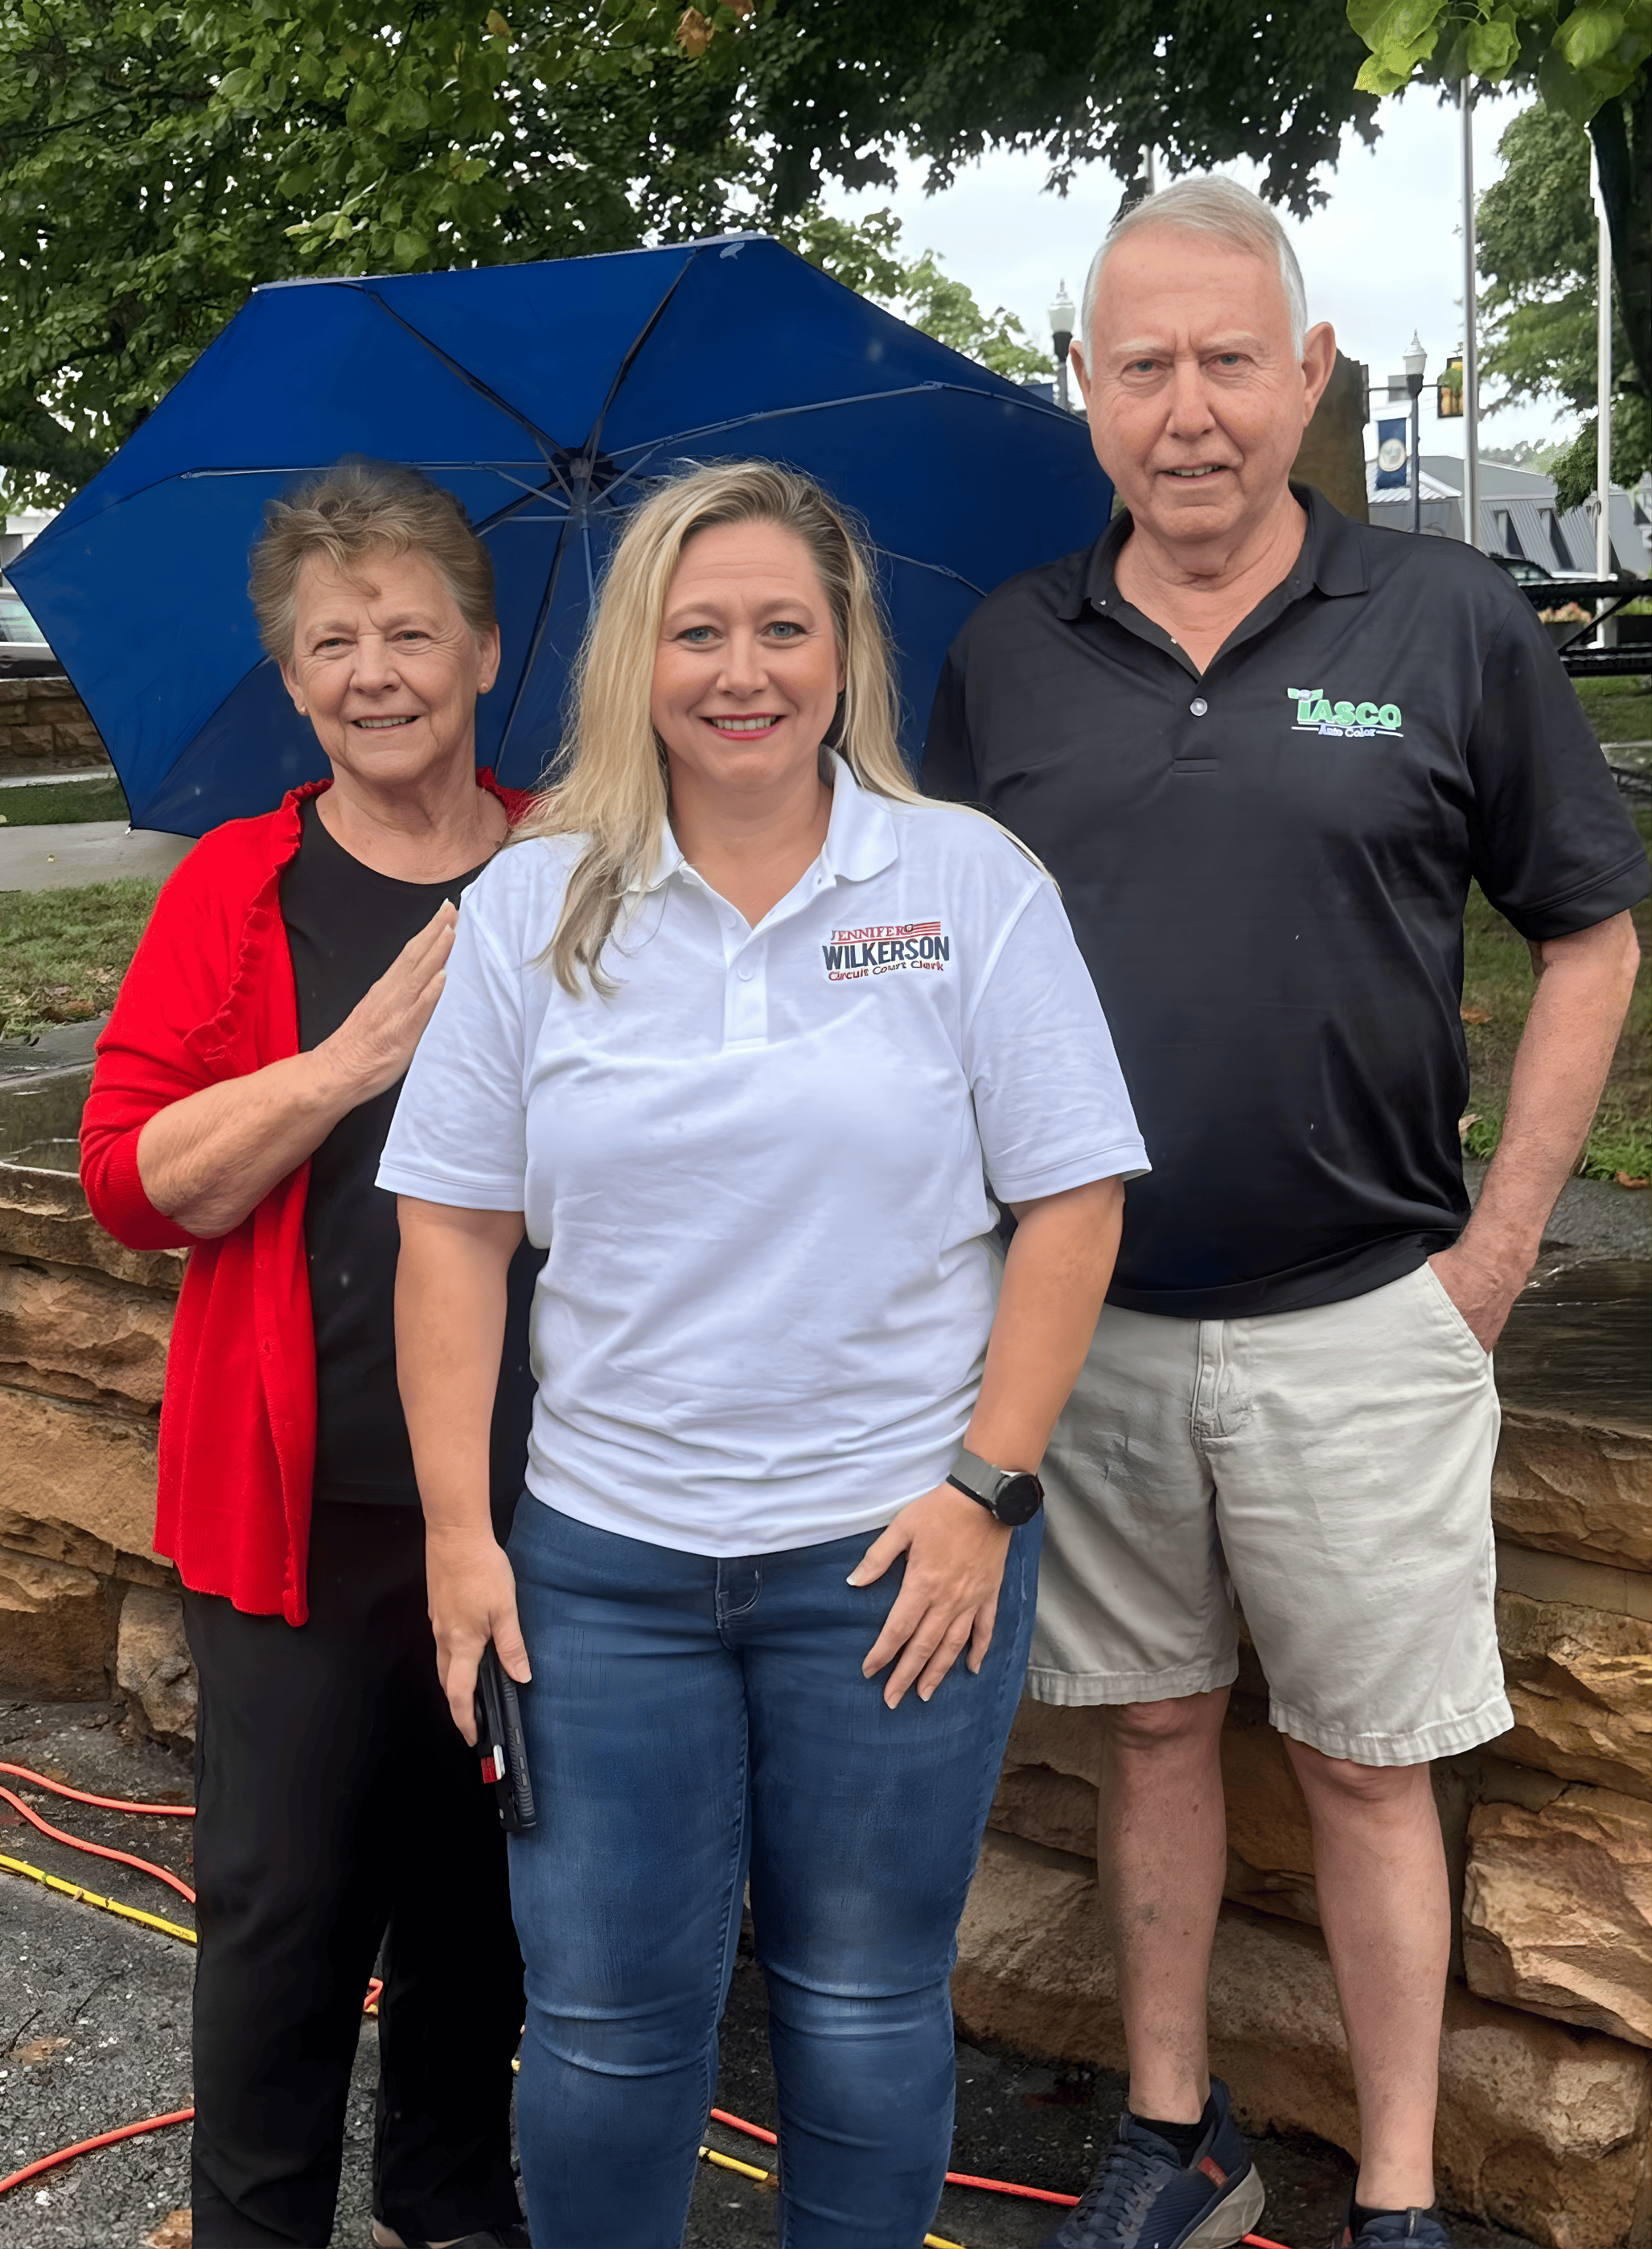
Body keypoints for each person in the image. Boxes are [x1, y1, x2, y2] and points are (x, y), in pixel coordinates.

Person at [923, 178, 1646, 2249]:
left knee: (1361, 1764)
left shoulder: (1443, 623)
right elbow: (935, 961)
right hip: (1096, 1323)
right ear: (1086, 393)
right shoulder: (1005, 656)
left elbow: (1588, 936)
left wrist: (1492, 1259)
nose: (1189, 409)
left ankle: (1403, 2192)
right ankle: (1176, 2139)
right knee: (1147, 1732)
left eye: (1230, 358)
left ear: (1307, 372)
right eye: (1139, 364)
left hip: (1365, 1321)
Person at [375, 458, 1149, 2249]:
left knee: (868, 2007)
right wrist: (457, 1540)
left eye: (782, 627)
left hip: (896, 1561)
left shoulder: (962, 881)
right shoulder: (536, 903)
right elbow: (452, 1234)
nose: (743, 670)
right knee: (601, 2027)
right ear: (635, 658)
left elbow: (1073, 1201)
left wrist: (982, 1492)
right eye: (697, 629)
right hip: (602, 1566)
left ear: (843, 647)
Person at [79, 462, 544, 2249]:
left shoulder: (576, 877)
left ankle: (451, 2201)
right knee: (280, 1919)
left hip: (527, 1497)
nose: (373, 669)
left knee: (483, 1907)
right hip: (298, 1507)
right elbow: (131, 1182)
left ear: (482, 650)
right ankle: (256, 2222)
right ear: (289, 681)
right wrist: (351, 1059)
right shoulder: (236, 889)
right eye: (330, 640)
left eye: (409, 629)